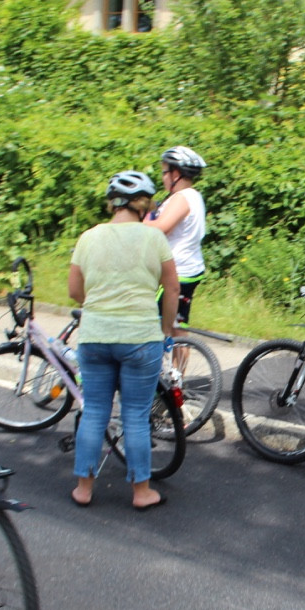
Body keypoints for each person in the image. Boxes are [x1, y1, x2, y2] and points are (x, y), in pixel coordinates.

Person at [68, 170, 180, 510]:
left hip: (95, 337)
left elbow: (75, 291)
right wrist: (166, 328)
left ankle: (84, 489)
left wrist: (102, 307)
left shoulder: (88, 237)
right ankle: (141, 492)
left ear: (111, 203)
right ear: (143, 204)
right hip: (140, 338)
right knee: (135, 415)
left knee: (95, 412)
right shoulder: (154, 239)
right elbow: (172, 287)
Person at [144, 146, 207, 329]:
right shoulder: (194, 196)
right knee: (178, 327)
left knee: (154, 325)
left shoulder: (181, 198)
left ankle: (159, 357)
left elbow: (161, 228)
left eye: (165, 172)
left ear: (176, 173)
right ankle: (175, 358)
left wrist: (132, 223)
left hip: (176, 271)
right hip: (190, 269)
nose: (163, 177)